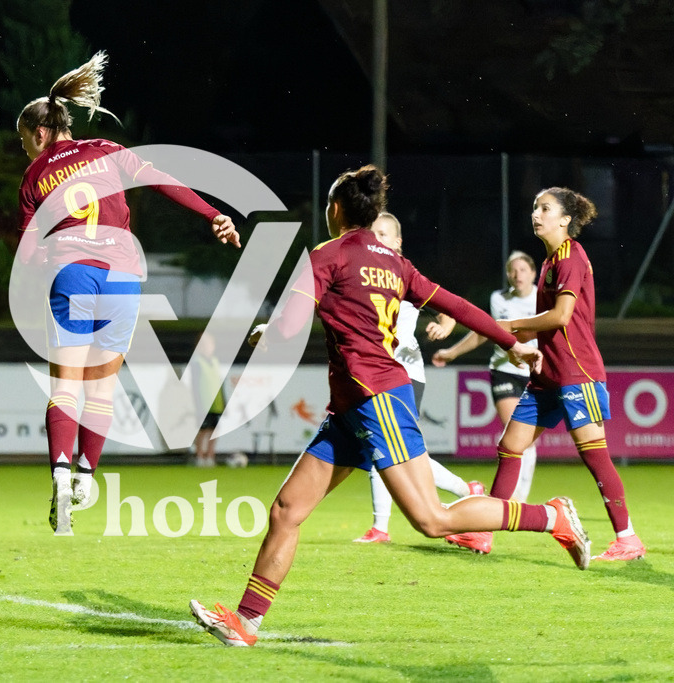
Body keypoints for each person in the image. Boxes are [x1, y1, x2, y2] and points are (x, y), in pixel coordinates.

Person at [189, 166, 591, 648]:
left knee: (432, 520)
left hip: (377, 399)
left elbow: (292, 325)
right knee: (287, 510)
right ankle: (246, 623)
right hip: (351, 408)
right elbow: (458, 306)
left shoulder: (327, 255)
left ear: (335, 209)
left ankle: (552, 517)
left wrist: (268, 333)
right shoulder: (394, 263)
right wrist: (511, 342)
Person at [15, 52, 240, 535]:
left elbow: (29, 253)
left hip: (73, 273)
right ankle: (86, 475)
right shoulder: (104, 150)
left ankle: (59, 471)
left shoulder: (35, 177)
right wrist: (212, 216)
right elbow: (162, 181)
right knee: (101, 387)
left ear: (38, 134)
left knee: (65, 386)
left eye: (23, 142)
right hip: (121, 279)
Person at [478, 187, 645, 561]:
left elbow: (561, 317)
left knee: (595, 455)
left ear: (565, 220)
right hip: (548, 375)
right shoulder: (551, 261)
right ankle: (483, 532)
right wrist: (532, 349)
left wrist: (509, 325)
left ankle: (628, 538)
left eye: (545, 208)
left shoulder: (571, 256)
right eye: (535, 207)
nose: (536, 214)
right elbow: (549, 325)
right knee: (510, 447)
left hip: (577, 371)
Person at [354, 212, 483, 544]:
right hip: (377, 375)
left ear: (398, 242)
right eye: (373, 234)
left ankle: (381, 528)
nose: (377, 239)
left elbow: (450, 310)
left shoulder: (403, 276)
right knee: (394, 453)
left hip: (404, 375)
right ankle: (466, 489)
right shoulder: (366, 276)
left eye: (384, 234)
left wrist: (444, 327)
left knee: (386, 451)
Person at [430, 251, 539, 512]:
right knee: (515, 434)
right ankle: (512, 502)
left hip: (536, 372)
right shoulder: (498, 299)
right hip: (505, 372)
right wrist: (452, 352)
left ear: (533, 274)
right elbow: (485, 332)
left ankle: (518, 500)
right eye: (513, 270)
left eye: (523, 269)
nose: (518, 275)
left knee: (527, 441)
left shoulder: (543, 299)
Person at [190, 331, 225, 468]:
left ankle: (211, 455)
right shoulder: (196, 362)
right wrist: (197, 403)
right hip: (203, 403)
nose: (207, 346)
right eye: (203, 344)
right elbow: (195, 384)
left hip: (217, 402)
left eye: (209, 343)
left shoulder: (215, 361)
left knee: (214, 430)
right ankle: (200, 456)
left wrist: (224, 401)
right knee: (203, 430)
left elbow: (219, 382)